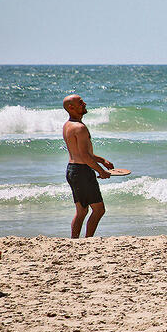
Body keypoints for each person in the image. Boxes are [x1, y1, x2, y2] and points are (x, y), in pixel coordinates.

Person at [62, 94, 113, 238]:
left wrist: (102, 160)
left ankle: (74, 240)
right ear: (71, 107)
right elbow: (85, 156)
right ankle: (88, 240)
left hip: (72, 170)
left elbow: (80, 153)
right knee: (99, 210)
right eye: (80, 102)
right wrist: (101, 171)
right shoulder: (80, 128)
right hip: (82, 172)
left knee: (82, 211)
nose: (84, 104)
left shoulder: (67, 125)